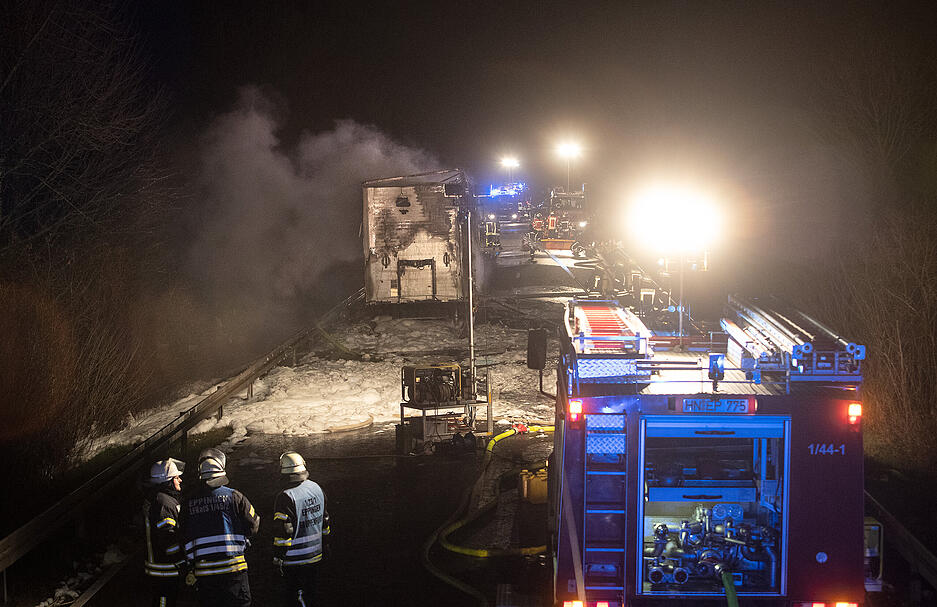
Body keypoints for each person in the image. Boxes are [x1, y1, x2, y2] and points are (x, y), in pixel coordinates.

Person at [181, 455, 260, 607]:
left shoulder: (188, 502)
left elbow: (182, 533)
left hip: (204, 572)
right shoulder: (235, 496)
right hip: (233, 568)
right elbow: (254, 523)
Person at [272, 452, 330, 607]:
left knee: (294, 598)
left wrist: (278, 557)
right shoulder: (317, 488)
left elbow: (285, 531)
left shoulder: (285, 497)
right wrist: (325, 546)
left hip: (294, 559)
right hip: (316, 556)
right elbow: (325, 522)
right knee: (312, 595)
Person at [143, 459, 186, 607]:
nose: (180, 480)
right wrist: (183, 561)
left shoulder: (160, 499)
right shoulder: (164, 503)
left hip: (162, 567)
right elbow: (168, 540)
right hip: (165, 568)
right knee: (164, 602)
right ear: (167, 481)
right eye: (176, 477)